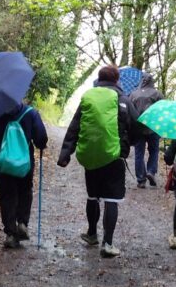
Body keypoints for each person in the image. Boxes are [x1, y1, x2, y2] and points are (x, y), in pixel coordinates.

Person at [57, 64, 138, 258]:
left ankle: (92, 233)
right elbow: (136, 126)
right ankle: (108, 244)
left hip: (91, 156)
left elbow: (75, 126)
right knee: (111, 199)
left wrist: (65, 154)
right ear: (116, 80)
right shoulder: (123, 99)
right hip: (114, 157)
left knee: (93, 196)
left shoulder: (89, 97)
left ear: (99, 79)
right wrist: (126, 146)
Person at [0, 102, 48, 248]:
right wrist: (41, 144)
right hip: (25, 163)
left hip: (4, 162)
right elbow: (41, 138)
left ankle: (10, 233)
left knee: (7, 195)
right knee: (25, 191)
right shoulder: (31, 113)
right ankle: (22, 223)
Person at [130, 73, 164, 188]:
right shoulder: (157, 94)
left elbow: (130, 112)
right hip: (153, 128)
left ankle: (141, 179)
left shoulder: (134, 94)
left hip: (138, 128)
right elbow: (163, 111)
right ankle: (151, 171)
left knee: (139, 153)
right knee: (154, 151)